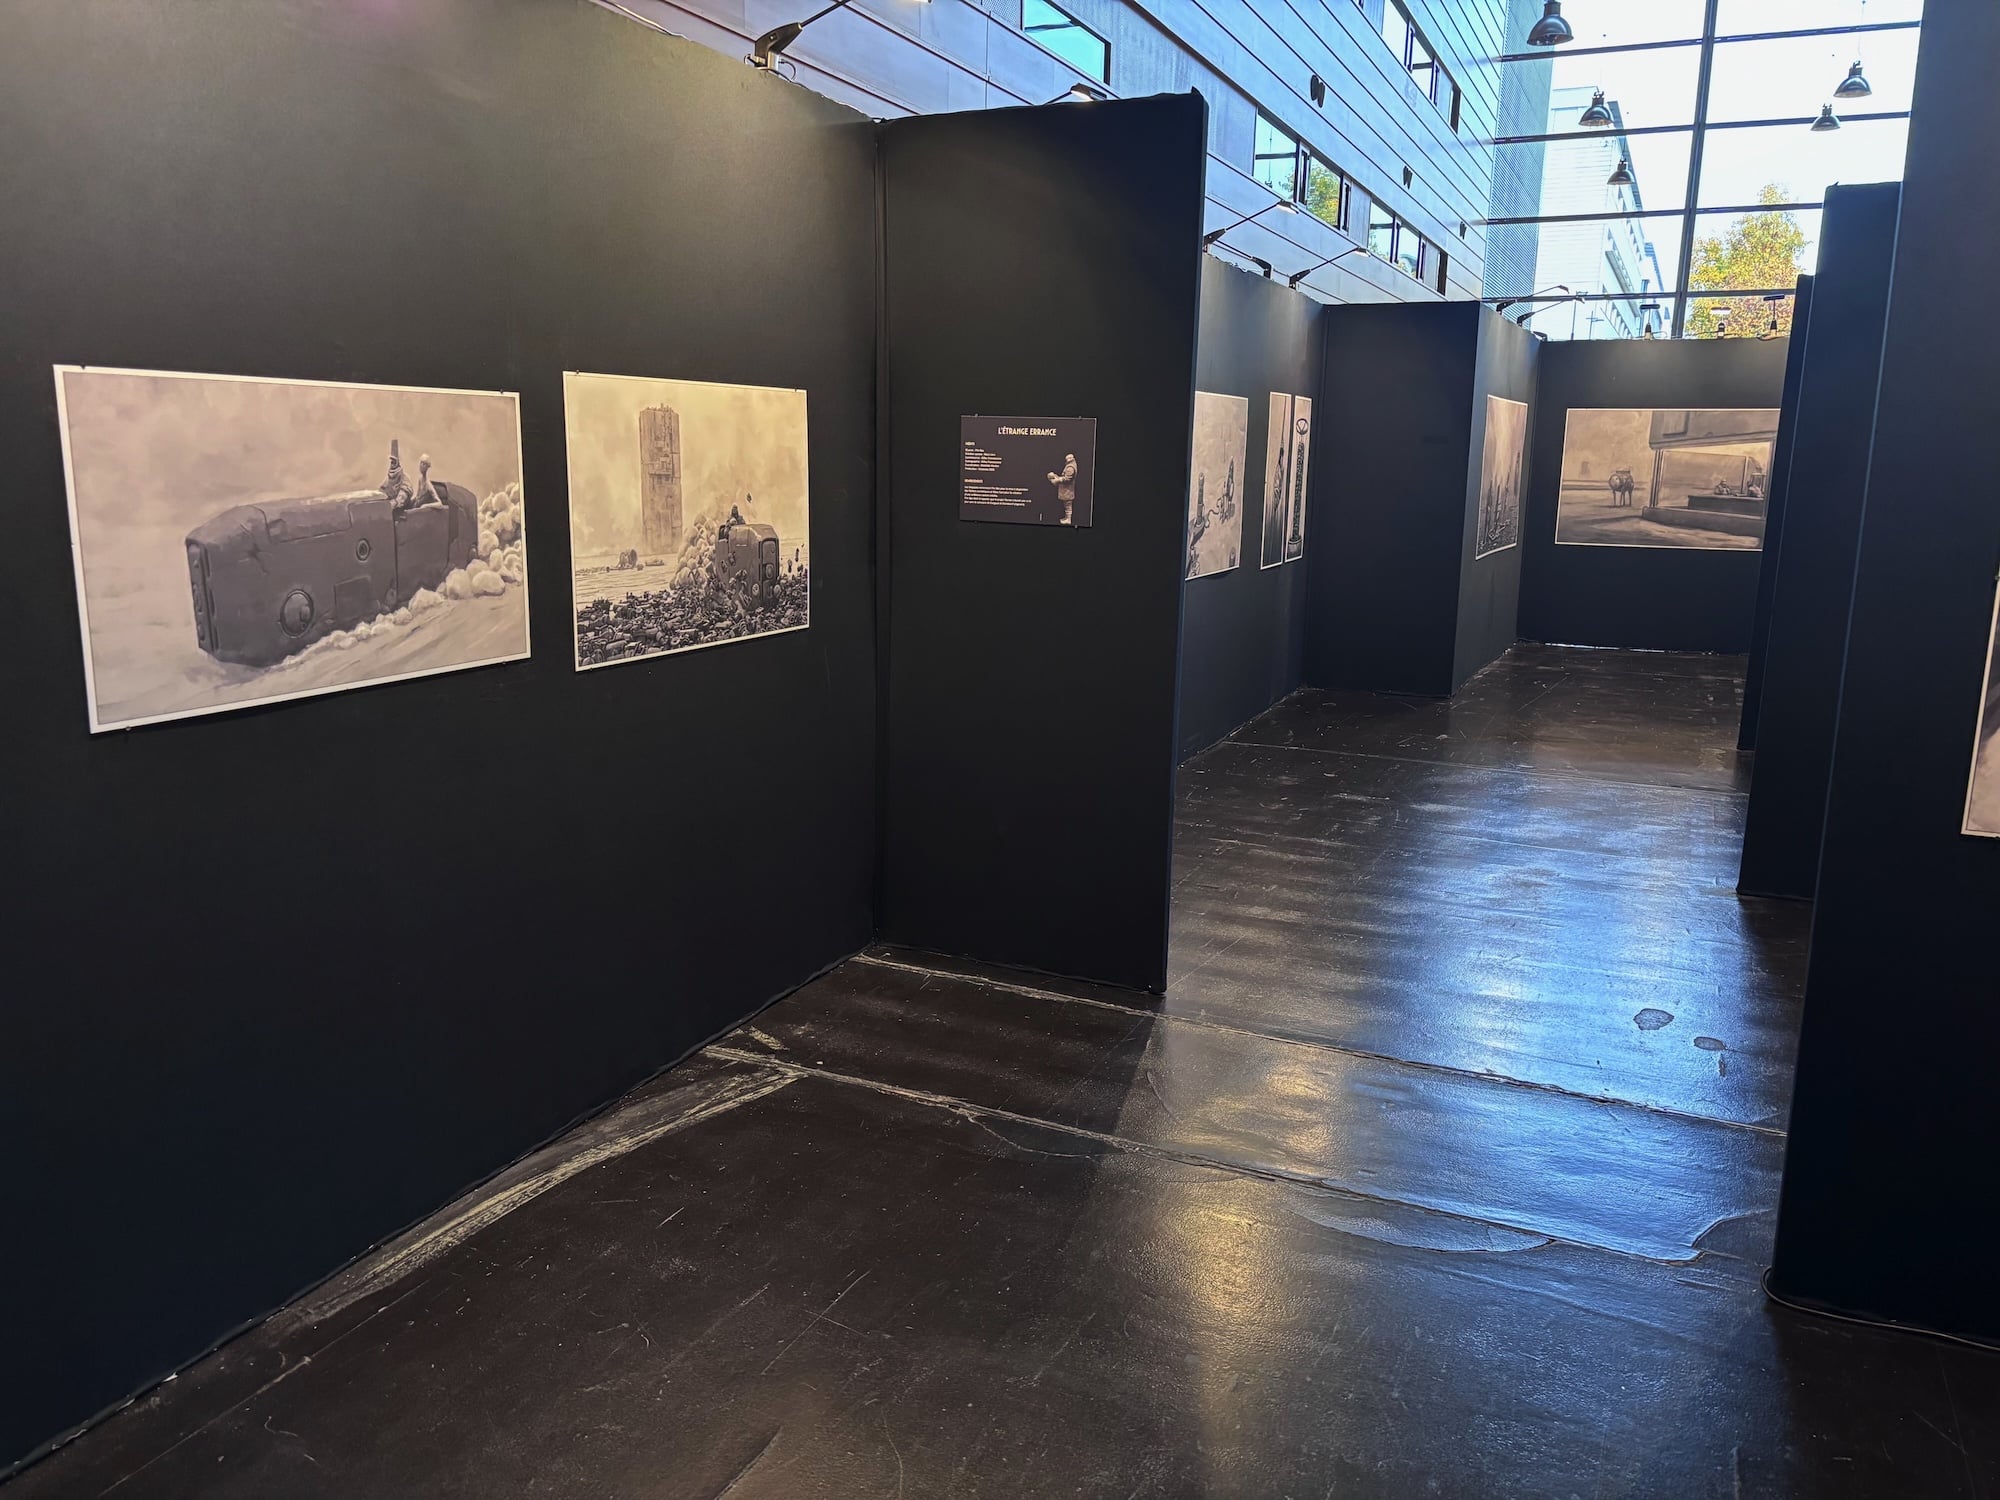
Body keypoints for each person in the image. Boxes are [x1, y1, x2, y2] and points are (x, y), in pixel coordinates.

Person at [1047, 453, 1078, 526]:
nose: (1066, 460)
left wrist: (1057, 480)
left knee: (1068, 505)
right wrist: (1056, 476)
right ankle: (1067, 518)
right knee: (1066, 504)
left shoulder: (1070, 468)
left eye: (1068, 459)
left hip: (1068, 490)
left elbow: (1067, 479)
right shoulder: (1071, 466)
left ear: (1070, 459)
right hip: (1067, 489)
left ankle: (1068, 519)